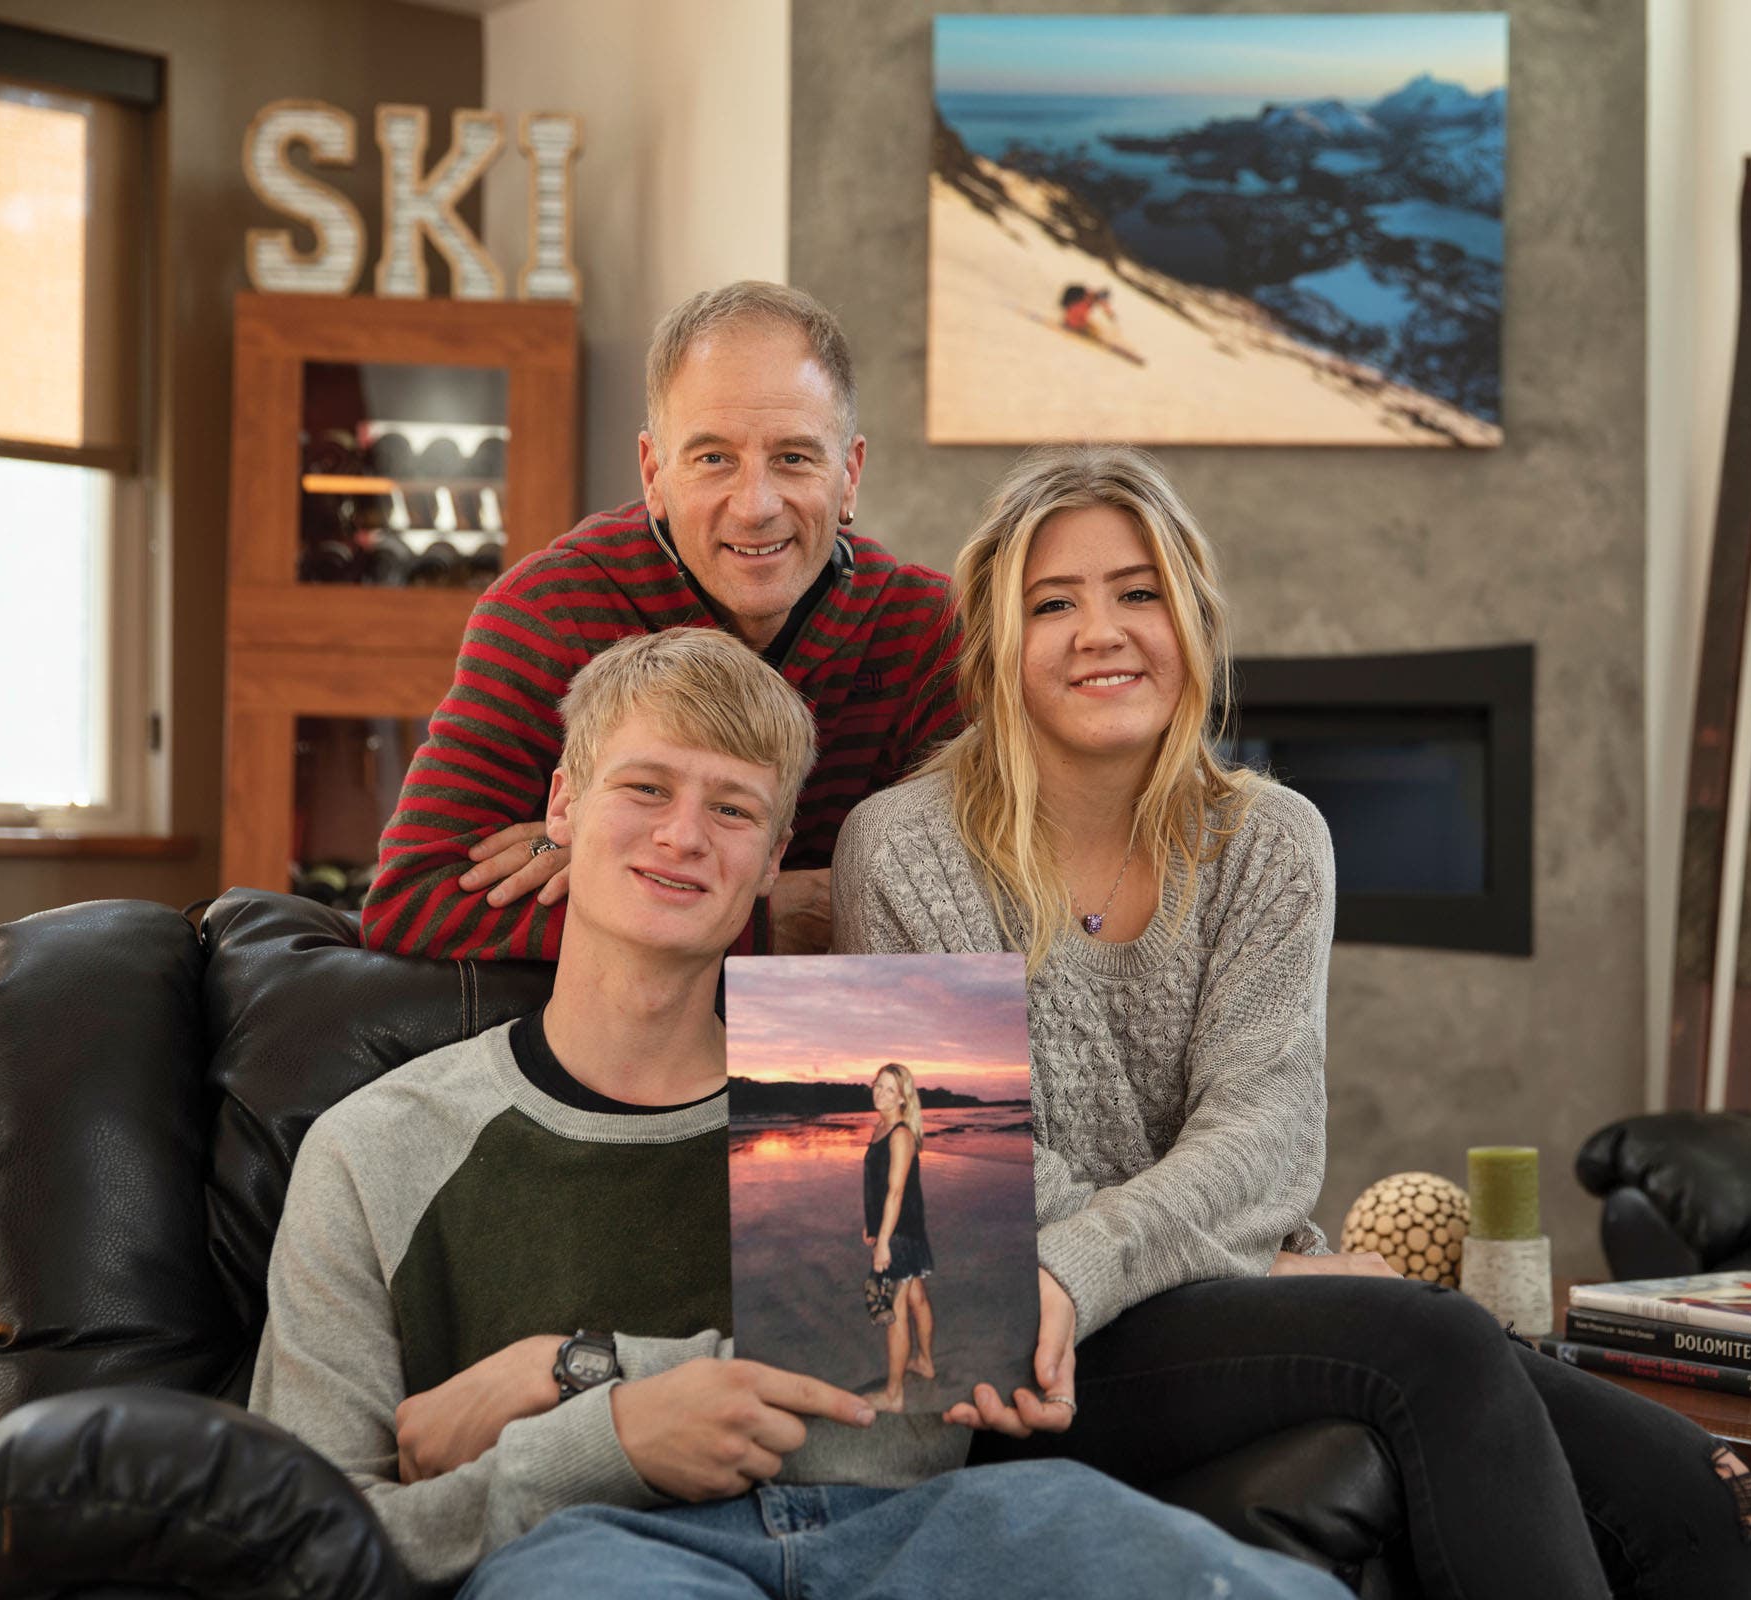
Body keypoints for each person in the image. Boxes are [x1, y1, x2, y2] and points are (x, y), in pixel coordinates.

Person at [832, 445, 1751, 1600]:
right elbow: (969, 1174)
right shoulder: (901, 848)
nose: (1102, 631)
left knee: (1693, 1494)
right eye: (1052, 603)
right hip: (1010, 1347)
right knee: (1431, 1339)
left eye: (1139, 592)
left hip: (1149, 1287)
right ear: (994, 644)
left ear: (1191, 620)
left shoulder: (1270, 839)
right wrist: (1228, 1265)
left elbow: (1269, 1129)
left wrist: (1115, 1261)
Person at [250, 627, 1344, 1600]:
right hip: (593, 1548)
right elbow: (301, 1546)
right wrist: (611, 1441)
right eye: (645, 789)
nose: (685, 837)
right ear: (562, 807)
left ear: (773, 859)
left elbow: (950, 1379)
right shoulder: (377, 1147)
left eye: (733, 809)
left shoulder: (848, 1076)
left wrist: (588, 1370)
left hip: (920, 1539)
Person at [359, 280, 962, 964]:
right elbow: (415, 901)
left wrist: (608, 868)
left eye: (794, 457)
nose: (755, 504)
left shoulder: (926, 633)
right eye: (713, 459)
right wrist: (764, 920)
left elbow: (978, 897)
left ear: (848, 474)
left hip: (836, 1048)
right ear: (653, 472)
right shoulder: (551, 615)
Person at [862, 1061, 937, 1412]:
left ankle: (894, 1395)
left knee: (895, 1309)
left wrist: (884, 1243)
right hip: (897, 1228)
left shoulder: (901, 1135)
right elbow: (877, 1188)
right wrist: (872, 1226)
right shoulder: (881, 1127)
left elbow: (895, 1192)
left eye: (890, 1089)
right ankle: (924, 1362)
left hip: (902, 1235)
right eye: (878, 1085)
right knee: (916, 1298)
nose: (880, 1092)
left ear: (903, 1098)